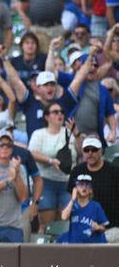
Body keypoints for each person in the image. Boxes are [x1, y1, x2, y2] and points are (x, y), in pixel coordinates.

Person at [28, 102, 79, 234]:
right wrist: (50, 161)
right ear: (47, 117)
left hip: (67, 182)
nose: (60, 114)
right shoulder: (39, 134)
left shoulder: (69, 133)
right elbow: (31, 153)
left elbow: (83, 152)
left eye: (62, 111)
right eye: (55, 112)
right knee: (46, 223)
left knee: (64, 223)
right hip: (47, 181)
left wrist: (77, 134)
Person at [68, 136, 119, 242]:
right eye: (87, 150)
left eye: (94, 150)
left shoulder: (114, 171)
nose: (90, 153)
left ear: (101, 151)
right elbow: (71, 200)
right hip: (83, 227)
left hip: (112, 227)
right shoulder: (77, 171)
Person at [60, 174, 108, 243]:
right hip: (75, 243)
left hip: (93, 244)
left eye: (87, 185)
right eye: (81, 185)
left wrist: (98, 227)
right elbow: (64, 217)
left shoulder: (96, 206)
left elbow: (103, 228)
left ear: (91, 190)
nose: (84, 187)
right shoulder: (71, 204)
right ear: (75, 189)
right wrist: (73, 199)